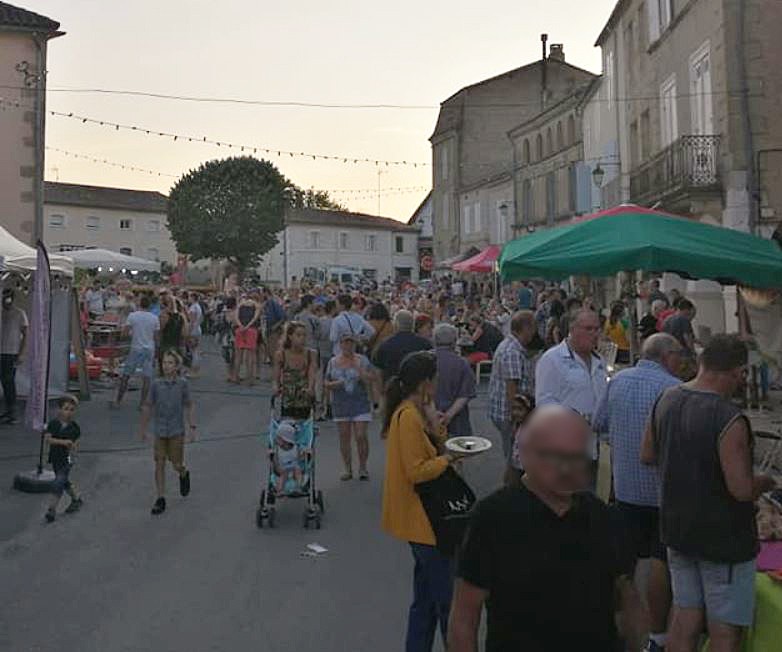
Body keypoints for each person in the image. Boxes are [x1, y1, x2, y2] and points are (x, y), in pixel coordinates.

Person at [449, 406, 644, 652]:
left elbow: (627, 600)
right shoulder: (492, 519)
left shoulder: (603, 518)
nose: (566, 468)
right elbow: (465, 616)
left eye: (575, 456)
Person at [641, 334, 776, 652]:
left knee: (685, 616)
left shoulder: (667, 398)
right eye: (741, 376)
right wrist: (766, 482)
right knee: (724, 631)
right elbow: (741, 489)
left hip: (677, 528)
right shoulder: (728, 417)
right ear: (737, 372)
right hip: (722, 539)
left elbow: (646, 454)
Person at [593, 333, 683, 652]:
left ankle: (620, 631)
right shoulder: (673, 389)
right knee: (660, 561)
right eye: (679, 354)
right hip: (662, 493)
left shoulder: (617, 382)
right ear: (666, 356)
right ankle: (656, 635)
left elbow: (599, 423)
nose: (682, 361)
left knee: (624, 567)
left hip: (626, 490)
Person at [381, 351, 463, 652]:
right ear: (425, 383)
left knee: (426, 601)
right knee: (446, 601)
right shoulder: (407, 417)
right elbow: (417, 471)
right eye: (435, 378)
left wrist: (436, 422)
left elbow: (433, 444)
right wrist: (448, 460)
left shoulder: (416, 413)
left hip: (424, 520)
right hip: (424, 520)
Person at [536, 309, 608, 480]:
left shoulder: (600, 361)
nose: (595, 334)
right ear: (572, 329)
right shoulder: (552, 360)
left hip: (597, 446)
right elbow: (544, 404)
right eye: (588, 329)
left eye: (597, 329)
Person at [139, 350, 195, 516]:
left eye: (170, 363)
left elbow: (189, 404)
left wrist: (192, 427)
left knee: (176, 463)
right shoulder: (156, 384)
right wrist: (143, 428)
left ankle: (183, 473)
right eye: (164, 362)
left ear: (177, 366)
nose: (166, 366)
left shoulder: (182, 384)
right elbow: (148, 405)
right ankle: (160, 497)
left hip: (176, 431)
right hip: (160, 431)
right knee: (159, 462)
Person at [487, 311, 537, 459]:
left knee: (513, 452)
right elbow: (512, 389)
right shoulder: (512, 352)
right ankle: (511, 481)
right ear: (526, 328)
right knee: (514, 456)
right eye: (533, 328)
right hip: (508, 414)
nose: (534, 333)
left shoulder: (510, 346)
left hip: (505, 411)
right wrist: (516, 418)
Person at [325, 333, 374, 481]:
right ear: (340, 344)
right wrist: (336, 384)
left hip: (360, 403)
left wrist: (359, 369)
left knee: (360, 435)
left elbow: (371, 379)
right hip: (341, 404)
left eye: (351, 343)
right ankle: (347, 468)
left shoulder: (362, 360)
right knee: (344, 436)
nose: (348, 346)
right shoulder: (333, 362)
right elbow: (326, 383)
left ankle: (363, 467)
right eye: (345, 343)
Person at [112, 295, 160, 409]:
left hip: (135, 348)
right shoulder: (154, 318)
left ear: (139, 304)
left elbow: (124, 333)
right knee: (147, 378)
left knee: (126, 375)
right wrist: (157, 352)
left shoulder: (132, 316)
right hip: (149, 349)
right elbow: (157, 337)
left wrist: (130, 334)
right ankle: (142, 403)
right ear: (149, 305)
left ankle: (118, 400)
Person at [43, 396, 83, 523]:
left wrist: (74, 449)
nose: (69, 412)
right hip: (55, 458)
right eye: (66, 409)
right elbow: (48, 439)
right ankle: (76, 498)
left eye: (72, 409)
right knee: (64, 482)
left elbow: (76, 444)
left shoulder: (75, 428)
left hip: (67, 459)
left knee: (58, 482)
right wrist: (63, 442)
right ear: (60, 410)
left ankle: (51, 509)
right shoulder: (54, 424)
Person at [432, 323, 476, 437]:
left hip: (429, 417)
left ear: (434, 339)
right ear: (455, 341)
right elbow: (465, 395)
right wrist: (448, 416)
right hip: (457, 421)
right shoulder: (462, 363)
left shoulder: (423, 360)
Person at [273, 322, 316, 420]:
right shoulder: (281, 354)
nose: (302, 338)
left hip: (304, 396)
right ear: (290, 336)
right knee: (287, 428)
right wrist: (276, 386)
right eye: (298, 335)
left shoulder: (311, 354)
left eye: (304, 335)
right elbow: (276, 376)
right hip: (288, 396)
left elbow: (312, 373)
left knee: (304, 427)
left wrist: (311, 387)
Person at [374, 310, 431, 384]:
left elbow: (378, 372)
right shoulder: (425, 344)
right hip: (417, 389)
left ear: (396, 325)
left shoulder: (384, 344)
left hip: (392, 389)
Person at [0, 289, 28, 425]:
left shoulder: (19, 313)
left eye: (8, 298)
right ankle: (7, 410)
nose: (6, 300)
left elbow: (26, 334)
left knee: (8, 382)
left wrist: (22, 353)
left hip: (11, 352)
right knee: (5, 382)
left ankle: (11, 411)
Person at [233, 294, 261, 384]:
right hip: (251, 330)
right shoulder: (256, 305)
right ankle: (250, 379)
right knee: (250, 356)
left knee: (238, 355)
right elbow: (255, 317)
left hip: (239, 330)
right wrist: (248, 326)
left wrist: (241, 326)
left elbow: (236, 317)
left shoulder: (240, 304)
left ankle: (235, 377)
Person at [158, 294, 187, 373]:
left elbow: (160, 330)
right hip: (177, 344)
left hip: (166, 343)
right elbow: (184, 334)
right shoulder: (181, 316)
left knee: (164, 369)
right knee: (176, 367)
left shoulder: (164, 315)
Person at [274, 421, 305, 494]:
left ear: (286, 440)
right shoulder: (277, 449)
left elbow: (299, 458)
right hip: (283, 468)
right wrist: (277, 467)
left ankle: (298, 487)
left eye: (278, 438)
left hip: (294, 466)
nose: (276, 439)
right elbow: (275, 460)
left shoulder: (296, 448)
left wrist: (304, 455)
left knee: (297, 471)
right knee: (283, 475)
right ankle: (280, 490)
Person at [262, 287, 286, 363]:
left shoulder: (273, 303)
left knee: (274, 351)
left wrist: (275, 326)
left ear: (266, 293)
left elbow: (282, 317)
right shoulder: (266, 304)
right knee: (270, 351)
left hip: (274, 330)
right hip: (268, 330)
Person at [187, 293, 204, 376]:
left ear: (193, 298)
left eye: (190, 297)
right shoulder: (198, 306)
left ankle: (193, 370)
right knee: (196, 350)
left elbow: (191, 321)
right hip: (198, 328)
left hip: (193, 329)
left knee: (193, 350)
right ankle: (196, 370)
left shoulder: (193, 307)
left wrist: (189, 331)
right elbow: (201, 318)